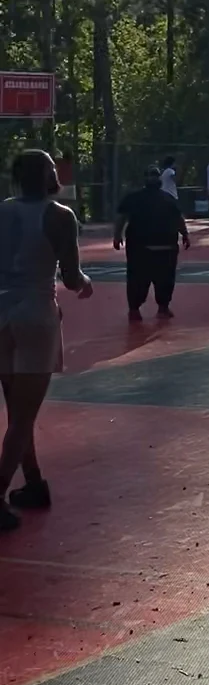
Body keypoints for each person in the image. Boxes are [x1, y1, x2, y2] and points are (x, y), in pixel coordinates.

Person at [0, 149, 93, 531]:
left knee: (17, 411)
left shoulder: (3, 210)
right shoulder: (60, 216)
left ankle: (34, 482)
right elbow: (71, 277)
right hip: (36, 315)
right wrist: (85, 284)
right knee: (23, 416)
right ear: (50, 176)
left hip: (1, 312)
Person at [115, 165, 190, 320]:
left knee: (149, 278)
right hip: (150, 247)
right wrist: (185, 234)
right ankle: (141, 308)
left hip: (152, 247)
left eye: (154, 175)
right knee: (147, 278)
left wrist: (185, 234)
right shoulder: (166, 199)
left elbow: (178, 219)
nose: (153, 178)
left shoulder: (137, 198)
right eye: (151, 175)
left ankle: (154, 308)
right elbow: (179, 219)